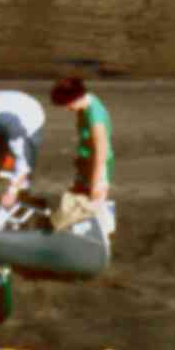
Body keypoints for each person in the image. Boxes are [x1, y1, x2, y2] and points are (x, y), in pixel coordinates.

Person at [53, 76, 115, 238]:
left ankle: (101, 241)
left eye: (67, 104)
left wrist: (95, 183)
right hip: (86, 163)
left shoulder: (94, 115)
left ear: (75, 98)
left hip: (98, 166)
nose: (67, 108)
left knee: (95, 204)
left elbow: (101, 151)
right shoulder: (85, 107)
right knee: (77, 201)